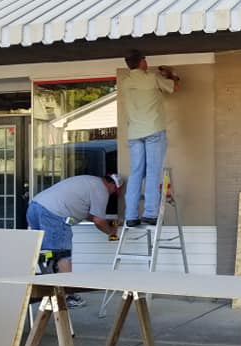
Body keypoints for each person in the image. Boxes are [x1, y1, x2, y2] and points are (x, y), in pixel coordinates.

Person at [26, 174, 123, 307]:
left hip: (35, 207)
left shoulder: (89, 181)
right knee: (62, 255)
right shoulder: (102, 189)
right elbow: (99, 221)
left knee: (46, 253)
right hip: (54, 214)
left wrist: (103, 221)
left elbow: (89, 215)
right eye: (116, 191)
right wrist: (112, 232)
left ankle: (46, 290)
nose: (114, 194)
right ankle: (67, 296)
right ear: (112, 185)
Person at [121, 49, 179, 227]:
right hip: (153, 131)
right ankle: (150, 213)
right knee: (153, 171)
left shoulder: (125, 82)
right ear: (142, 62)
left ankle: (130, 216)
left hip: (134, 134)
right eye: (145, 60)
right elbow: (174, 88)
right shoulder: (152, 78)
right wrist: (172, 76)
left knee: (136, 173)